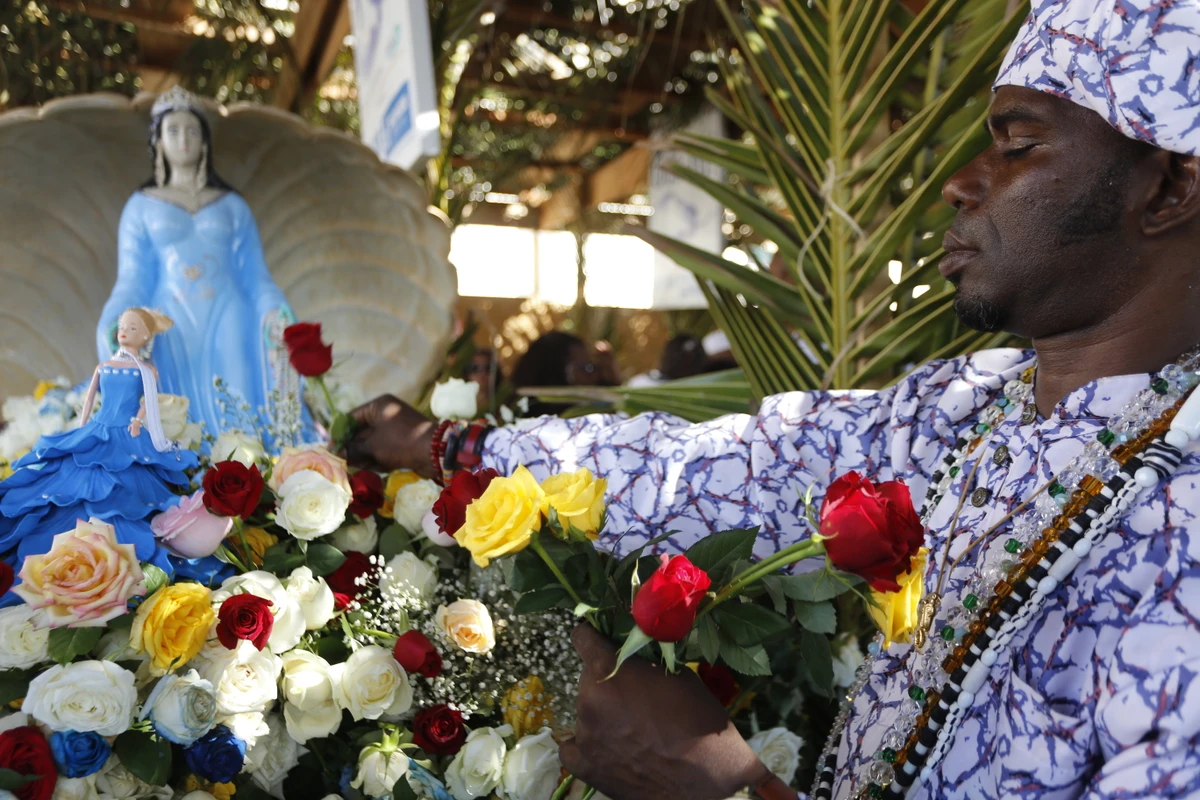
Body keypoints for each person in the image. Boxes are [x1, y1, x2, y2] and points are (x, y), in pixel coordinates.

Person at [343, 1, 1200, 797]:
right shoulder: (963, 409)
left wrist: (725, 786)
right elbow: (724, 469)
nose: (962, 182)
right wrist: (448, 450)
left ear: (1166, 190)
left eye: (1018, 146)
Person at [95, 86, 311, 451]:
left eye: (192, 131)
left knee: (241, 407)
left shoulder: (232, 206)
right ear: (158, 141)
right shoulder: (140, 206)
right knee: (176, 413)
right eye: (173, 131)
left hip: (232, 316)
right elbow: (133, 276)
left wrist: (275, 312)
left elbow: (255, 274)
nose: (183, 140)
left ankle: (250, 479)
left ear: (206, 142)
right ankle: (184, 480)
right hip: (169, 323)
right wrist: (119, 316)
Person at [0, 308, 199, 604]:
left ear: (145, 336)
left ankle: (108, 567)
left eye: (132, 328)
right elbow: (90, 400)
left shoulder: (146, 371)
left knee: (127, 492)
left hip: (127, 433)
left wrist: (139, 421)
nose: (124, 332)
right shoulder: (104, 366)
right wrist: (80, 434)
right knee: (71, 489)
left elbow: (148, 404)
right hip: (97, 428)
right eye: (122, 326)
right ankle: (60, 561)